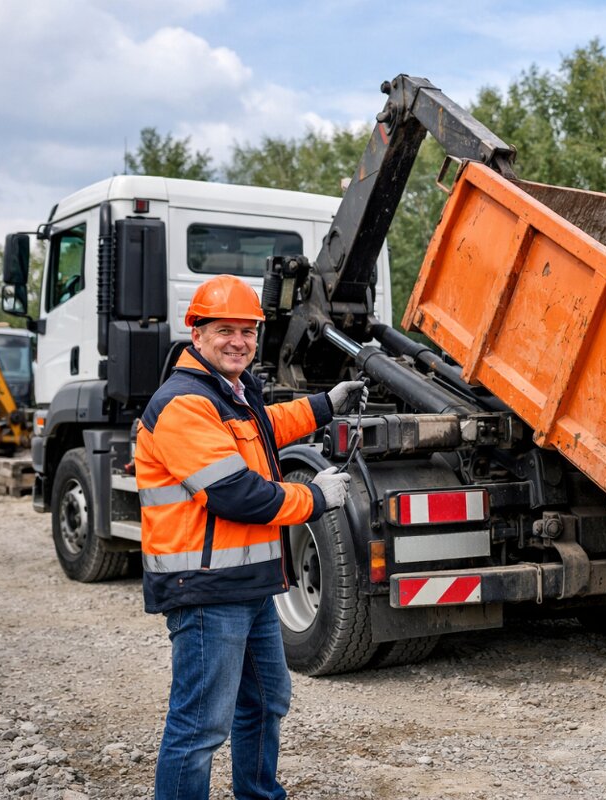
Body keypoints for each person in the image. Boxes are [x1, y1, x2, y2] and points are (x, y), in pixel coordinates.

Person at [134, 274, 367, 798]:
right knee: (200, 727)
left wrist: (326, 403)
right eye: (225, 330)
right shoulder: (184, 403)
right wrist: (314, 498)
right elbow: (234, 493)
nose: (238, 341)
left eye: (248, 331)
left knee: (265, 702)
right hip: (206, 590)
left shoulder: (229, 394)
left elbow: (263, 428)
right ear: (197, 333)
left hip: (249, 585)